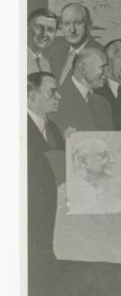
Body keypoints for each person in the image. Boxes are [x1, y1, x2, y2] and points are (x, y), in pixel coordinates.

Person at [27, 72, 64, 260]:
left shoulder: (53, 128)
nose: (59, 96)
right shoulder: (16, 128)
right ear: (31, 96)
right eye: (52, 92)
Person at [49, 47, 114, 134]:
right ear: (82, 68)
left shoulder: (103, 103)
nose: (107, 74)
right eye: (102, 68)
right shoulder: (56, 99)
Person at [48, 3, 103, 85]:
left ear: (89, 25)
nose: (72, 30)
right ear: (62, 27)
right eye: (67, 23)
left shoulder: (102, 54)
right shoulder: (56, 54)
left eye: (77, 23)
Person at [69, 137, 121, 214]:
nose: (112, 160)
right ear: (83, 162)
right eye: (104, 155)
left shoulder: (115, 203)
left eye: (110, 155)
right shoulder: (70, 200)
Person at [27, 9, 59, 74]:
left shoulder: (46, 65)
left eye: (50, 30)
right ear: (27, 28)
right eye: (39, 27)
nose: (44, 34)